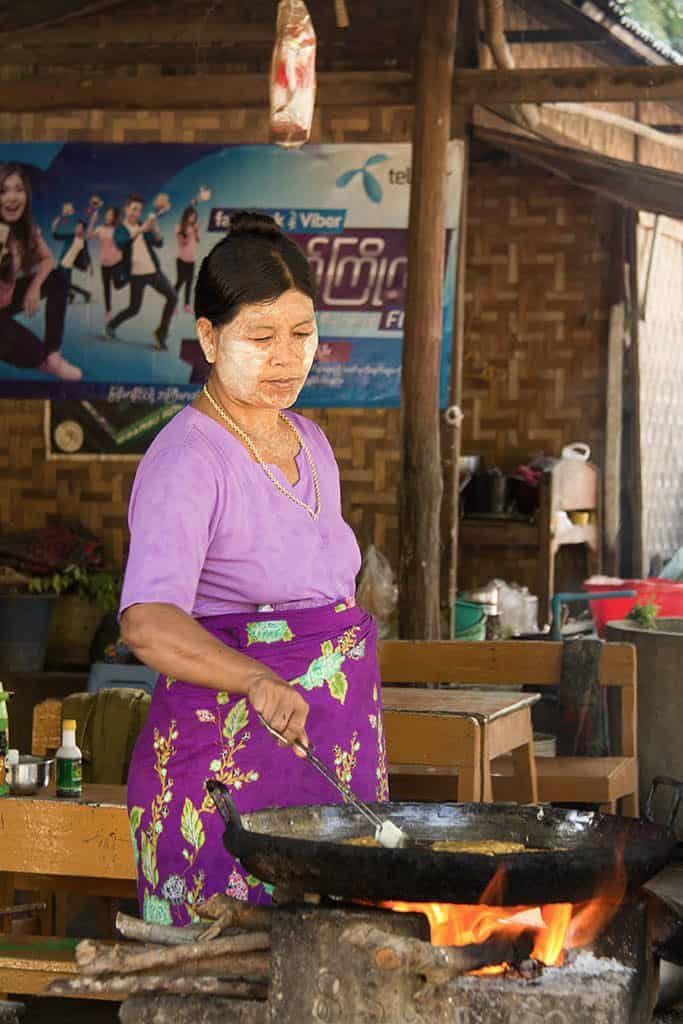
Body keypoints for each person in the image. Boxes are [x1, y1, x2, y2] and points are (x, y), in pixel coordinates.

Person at [120, 211, 387, 925]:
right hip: (225, 779)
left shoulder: (312, 443)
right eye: (260, 337)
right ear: (208, 338)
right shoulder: (188, 459)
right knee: (230, 983)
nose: (286, 357)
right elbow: (147, 622)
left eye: (302, 335)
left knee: (333, 970)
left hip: (326, 760)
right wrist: (257, 676)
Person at [0, 164, 81, 381]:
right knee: (34, 354)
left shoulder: (26, 228)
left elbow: (47, 259)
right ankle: (40, 358)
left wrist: (34, 287)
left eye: (19, 189)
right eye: (3, 191)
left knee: (58, 280)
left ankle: (53, 355)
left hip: (5, 302)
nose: (12, 198)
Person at [104, 193, 176, 350]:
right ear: (126, 209)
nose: (136, 213)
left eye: (139, 210)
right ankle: (111, 326)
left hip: (153, 272)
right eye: (133, 209)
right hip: (136, 276)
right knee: (134, 309)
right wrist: (140, 230)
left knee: (173, 297)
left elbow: (159, 243)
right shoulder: (119, 229)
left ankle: (161, 333)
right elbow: (123, 244)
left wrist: (154, 227)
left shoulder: (144, 225)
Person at [51, 207, 94, 304]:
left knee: (66, 284)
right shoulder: (70, 237)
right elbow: (55, 235)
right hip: (61, 264)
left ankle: (81, 294)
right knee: (63, 284)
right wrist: (60, 219)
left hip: (69, 266)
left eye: (79, 227)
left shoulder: (83, 242)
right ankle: (75, 295)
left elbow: (87, 254)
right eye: (76, 226)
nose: (76, 228)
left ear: (83, 230)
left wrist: (91, 267)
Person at [88, 205, 122, 324]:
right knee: (106, 288)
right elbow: (89, 237)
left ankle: (131, 276)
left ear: (114, 218)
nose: (107, 216)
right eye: (107, 214)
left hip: (117, 261)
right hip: (104, 264)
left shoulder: (118, 229)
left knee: (117, 285)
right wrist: (93, 220)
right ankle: (108, 311)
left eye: (110, 215)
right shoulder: (100, 229)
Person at [174, 206, 200, 313]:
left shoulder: (194, 227)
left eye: (194, 217)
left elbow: (198, 240)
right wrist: (190, 232)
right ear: (186, 216)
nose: (193, 219)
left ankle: (186, 305)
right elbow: (182, 242)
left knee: (189, 282)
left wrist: (196, 232)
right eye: (191, 216)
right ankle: (173, 305)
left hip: (191, 260)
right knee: (180, 282)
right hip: (181, 260)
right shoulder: (179, 227)